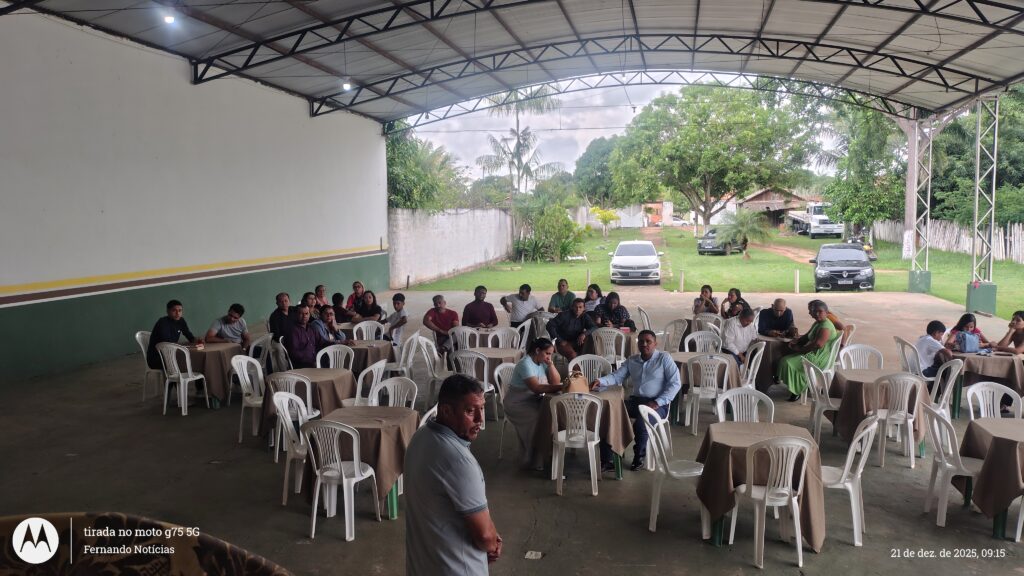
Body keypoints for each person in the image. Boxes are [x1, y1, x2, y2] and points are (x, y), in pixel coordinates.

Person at [405, 374, 501, 575]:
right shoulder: (458, 461)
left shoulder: (420, 437)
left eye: (482, 408)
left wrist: (489, 536)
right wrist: (491, 541)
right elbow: (484, 537)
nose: (480, 420)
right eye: (470, 411)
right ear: (446, 410)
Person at [592, 330, 681, 471]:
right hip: (636, 401)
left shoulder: (664, 358)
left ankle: (639, 457)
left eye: (648, 341)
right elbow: (616, 377)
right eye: (641, 341)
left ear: (655, 344)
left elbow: (675, 383)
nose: (644, 344)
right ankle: (608, 459)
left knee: (641, 423)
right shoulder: (632, 360)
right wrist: (600, 381)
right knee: (610, 415)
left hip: (659, 404)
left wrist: (658, 402)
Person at [503, 338, 564, 469]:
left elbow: (556, 381)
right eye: (547, 353)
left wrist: (551, 365)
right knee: (539, 419)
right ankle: (534, 459)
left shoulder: (542, 363)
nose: (549, 356)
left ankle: (549, 454)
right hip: (517, 404)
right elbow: (536, 388)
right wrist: (561, 387)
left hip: (532, 400)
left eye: (551, 354)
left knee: (551, 416)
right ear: (537, 350)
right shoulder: (525, 364)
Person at [776, 301, 839, 401]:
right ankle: (801, 385)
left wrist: (800, 350)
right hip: (814, 352)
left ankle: (797, 390)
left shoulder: (825, 327)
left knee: (787, 362)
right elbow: (807, 335)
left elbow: (817, 345)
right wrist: (797, 340)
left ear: (827, 312)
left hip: (819, 357)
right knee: (783, 358)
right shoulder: (818, 323)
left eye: (820, 311)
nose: (817, 314)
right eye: (814, 311)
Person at [146, 299, 200, 369]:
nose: (178, 313)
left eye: (180, 311)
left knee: (195, 360)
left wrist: (197, 340)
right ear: (168, 311)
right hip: (157, 358)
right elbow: (167, 343)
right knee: (190, 361)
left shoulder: (181, 321)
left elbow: (190, 337)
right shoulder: (162, 323)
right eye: (174, 310)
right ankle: (174, 380)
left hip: (171, 353)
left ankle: (197, 379)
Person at [284, 304, 325, 369]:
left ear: (309, 315)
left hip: (315, 361)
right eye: (301, 314)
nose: (304, 316)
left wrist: (338, 343)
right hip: (302, 365)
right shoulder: (292, 331)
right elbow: (294, 354)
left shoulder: (311, 327)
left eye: (306, 313)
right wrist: (311, 362)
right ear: (295, 315)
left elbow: (322, 342)